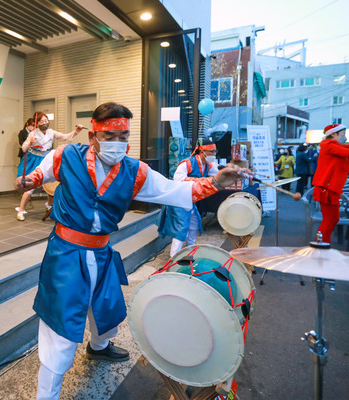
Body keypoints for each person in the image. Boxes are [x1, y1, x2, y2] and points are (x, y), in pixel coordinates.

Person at [15, 102, 244, 400]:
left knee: (106, 307)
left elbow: (173, 191)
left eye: (123, 138)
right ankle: (47, 395)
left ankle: (99, 348)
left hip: (102, 252)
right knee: (60, 326)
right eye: (110, 136)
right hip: (65, 256)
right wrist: (26, 180)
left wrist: (215, 182)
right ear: (93, 137)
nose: (117, 144)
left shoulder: (136, 171)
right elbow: (38, 175)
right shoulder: (65, 156)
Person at [15, 112, 83, 221]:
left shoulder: (51, 132)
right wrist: (29, 143)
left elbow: (65, 137)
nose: (45, 123)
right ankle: (21, 210)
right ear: (37, 123)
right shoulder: (33, 133)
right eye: (42, 121)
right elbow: (23, 148)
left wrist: (76, 132)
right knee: (30, 186)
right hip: (35, 159)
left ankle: (50, 206)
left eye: (46, 121)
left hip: (47, 158)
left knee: (51, 184)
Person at [157, 138, 219, 257]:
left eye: (215, 151)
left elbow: (217, 176)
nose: (214, 154)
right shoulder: (188, 163)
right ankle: (174, 258)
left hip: (190, 200)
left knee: (194, 224)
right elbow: (178, 179)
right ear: (202, 152)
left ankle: (190, 251)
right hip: (178, 199)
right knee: (181, 230)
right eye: (212, 151)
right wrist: (197, 180)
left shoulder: (208, 165)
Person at [311, 124, 349, 243]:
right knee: (329, 220)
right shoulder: (328, 145)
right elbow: (345, 152)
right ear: (333, 134)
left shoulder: (335, 146)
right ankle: (320, 245)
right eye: (343, 133)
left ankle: (322, 244)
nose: (345, 136)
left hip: (330, 187)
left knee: (333, 219)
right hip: (326, 188)